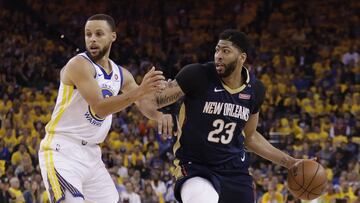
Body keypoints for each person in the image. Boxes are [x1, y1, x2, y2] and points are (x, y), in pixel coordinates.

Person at [153, 29, 304, 203]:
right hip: (195, 167)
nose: (218, 55)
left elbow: (250, 136)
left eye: (226, 51)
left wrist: (290, 162)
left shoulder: (255, 90)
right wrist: (162, 112)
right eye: (217, 50)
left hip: (235, 172)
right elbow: (155, 100)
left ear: (242, 58)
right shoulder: (197, 75)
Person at [38, 14, 173, 203]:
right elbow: (100, 108)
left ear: (113, 37)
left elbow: (144, 103)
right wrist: (140, 91)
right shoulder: (79, 64)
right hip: (62, 150)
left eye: (99, 34)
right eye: (88, 34)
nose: (92, 39)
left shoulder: (121, 74)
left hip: (92, 154)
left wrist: (160, 114)